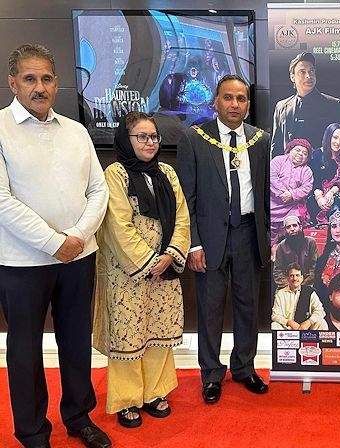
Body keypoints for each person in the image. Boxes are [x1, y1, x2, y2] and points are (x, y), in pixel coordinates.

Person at [0, 43, 111, 448]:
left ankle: (78, 417)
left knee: (77, 341)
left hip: (79, 257)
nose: (39, 87)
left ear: (56, 82)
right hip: (21, 263)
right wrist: (52, 242)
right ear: (13, 82)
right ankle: (32, 432)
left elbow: (98, 190)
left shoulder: (76, 131)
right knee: (25, 351)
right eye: (29, 78)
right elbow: (1, 201)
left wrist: (77, 237)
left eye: (46, 78)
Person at [92, 112, 191, 428]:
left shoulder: (167, 173)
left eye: (153, 136)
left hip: (165, 271)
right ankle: (127, 399)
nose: (150, 142)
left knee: (159, 333)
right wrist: (149, 261)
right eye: (142, 137)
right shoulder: (116, 174)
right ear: (126, 139)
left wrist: (170, 255)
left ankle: (154, 392)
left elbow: (182, 217)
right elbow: (118, 224)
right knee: (130, 336)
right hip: (128, 275)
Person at [177, 74, 271, 404]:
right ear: (215, 101)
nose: (235, 104)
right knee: (210, 308)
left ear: (248, 104)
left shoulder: (261, 139)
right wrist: (194, 243)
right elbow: (186, 197)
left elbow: (265, 194)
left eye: (241, 99)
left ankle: (244, 368)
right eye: (228, 98)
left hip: (248, 235)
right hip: (211, 238)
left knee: (249, 306)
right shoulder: (194, 138)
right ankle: (211, 374)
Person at [271, 52, 340, 156]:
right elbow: (276, 147)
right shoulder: (281, 107)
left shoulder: (334, 105)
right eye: (302, 72)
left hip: (323, 170)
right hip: (289, 170)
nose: (308, 76)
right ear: (292, 77)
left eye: (311, 71)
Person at [270, 138, 313, 246]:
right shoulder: (278, 160)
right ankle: (272, 249)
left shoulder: (307, 171)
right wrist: (282, 193)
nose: (300, 154)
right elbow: (272, 176)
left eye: (304, 153)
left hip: (292, 206)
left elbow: (307, 187)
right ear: (289, 150)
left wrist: (292, 195)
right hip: (273, 204)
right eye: (297, 150)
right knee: (270, 230)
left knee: (294, 228)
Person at [307, 123, 340, 224]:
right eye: (335, 137)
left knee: (338, 204)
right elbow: (314, 180)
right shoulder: (317, 155)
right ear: (328, 137)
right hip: (317, 195)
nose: (338, 142)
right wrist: (319, 198)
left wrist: (332, 191)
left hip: (337, 193)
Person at [271, 263, 328, 330]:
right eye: (292, 276)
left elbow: (320, 311)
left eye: (297, 275)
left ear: (302, 278)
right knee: (274, 325)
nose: (294, 278)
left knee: (322, 322)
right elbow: (275, 315)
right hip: (287, 329)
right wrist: (289, 322)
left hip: (306, 328)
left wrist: (309, 322)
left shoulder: (309, 292)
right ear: (288, 278)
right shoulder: (280, 294)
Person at [272, 215, 318, 289]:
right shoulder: (281, 246)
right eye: (288, 227)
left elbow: (314, 267)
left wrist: (303, 286)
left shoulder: (310, 242)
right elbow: (278, 271)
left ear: (300, 227)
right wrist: (291, 286)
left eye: (294, 225)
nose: (292, 229)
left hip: (308, 285)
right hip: (287, 286)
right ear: (285, 230)